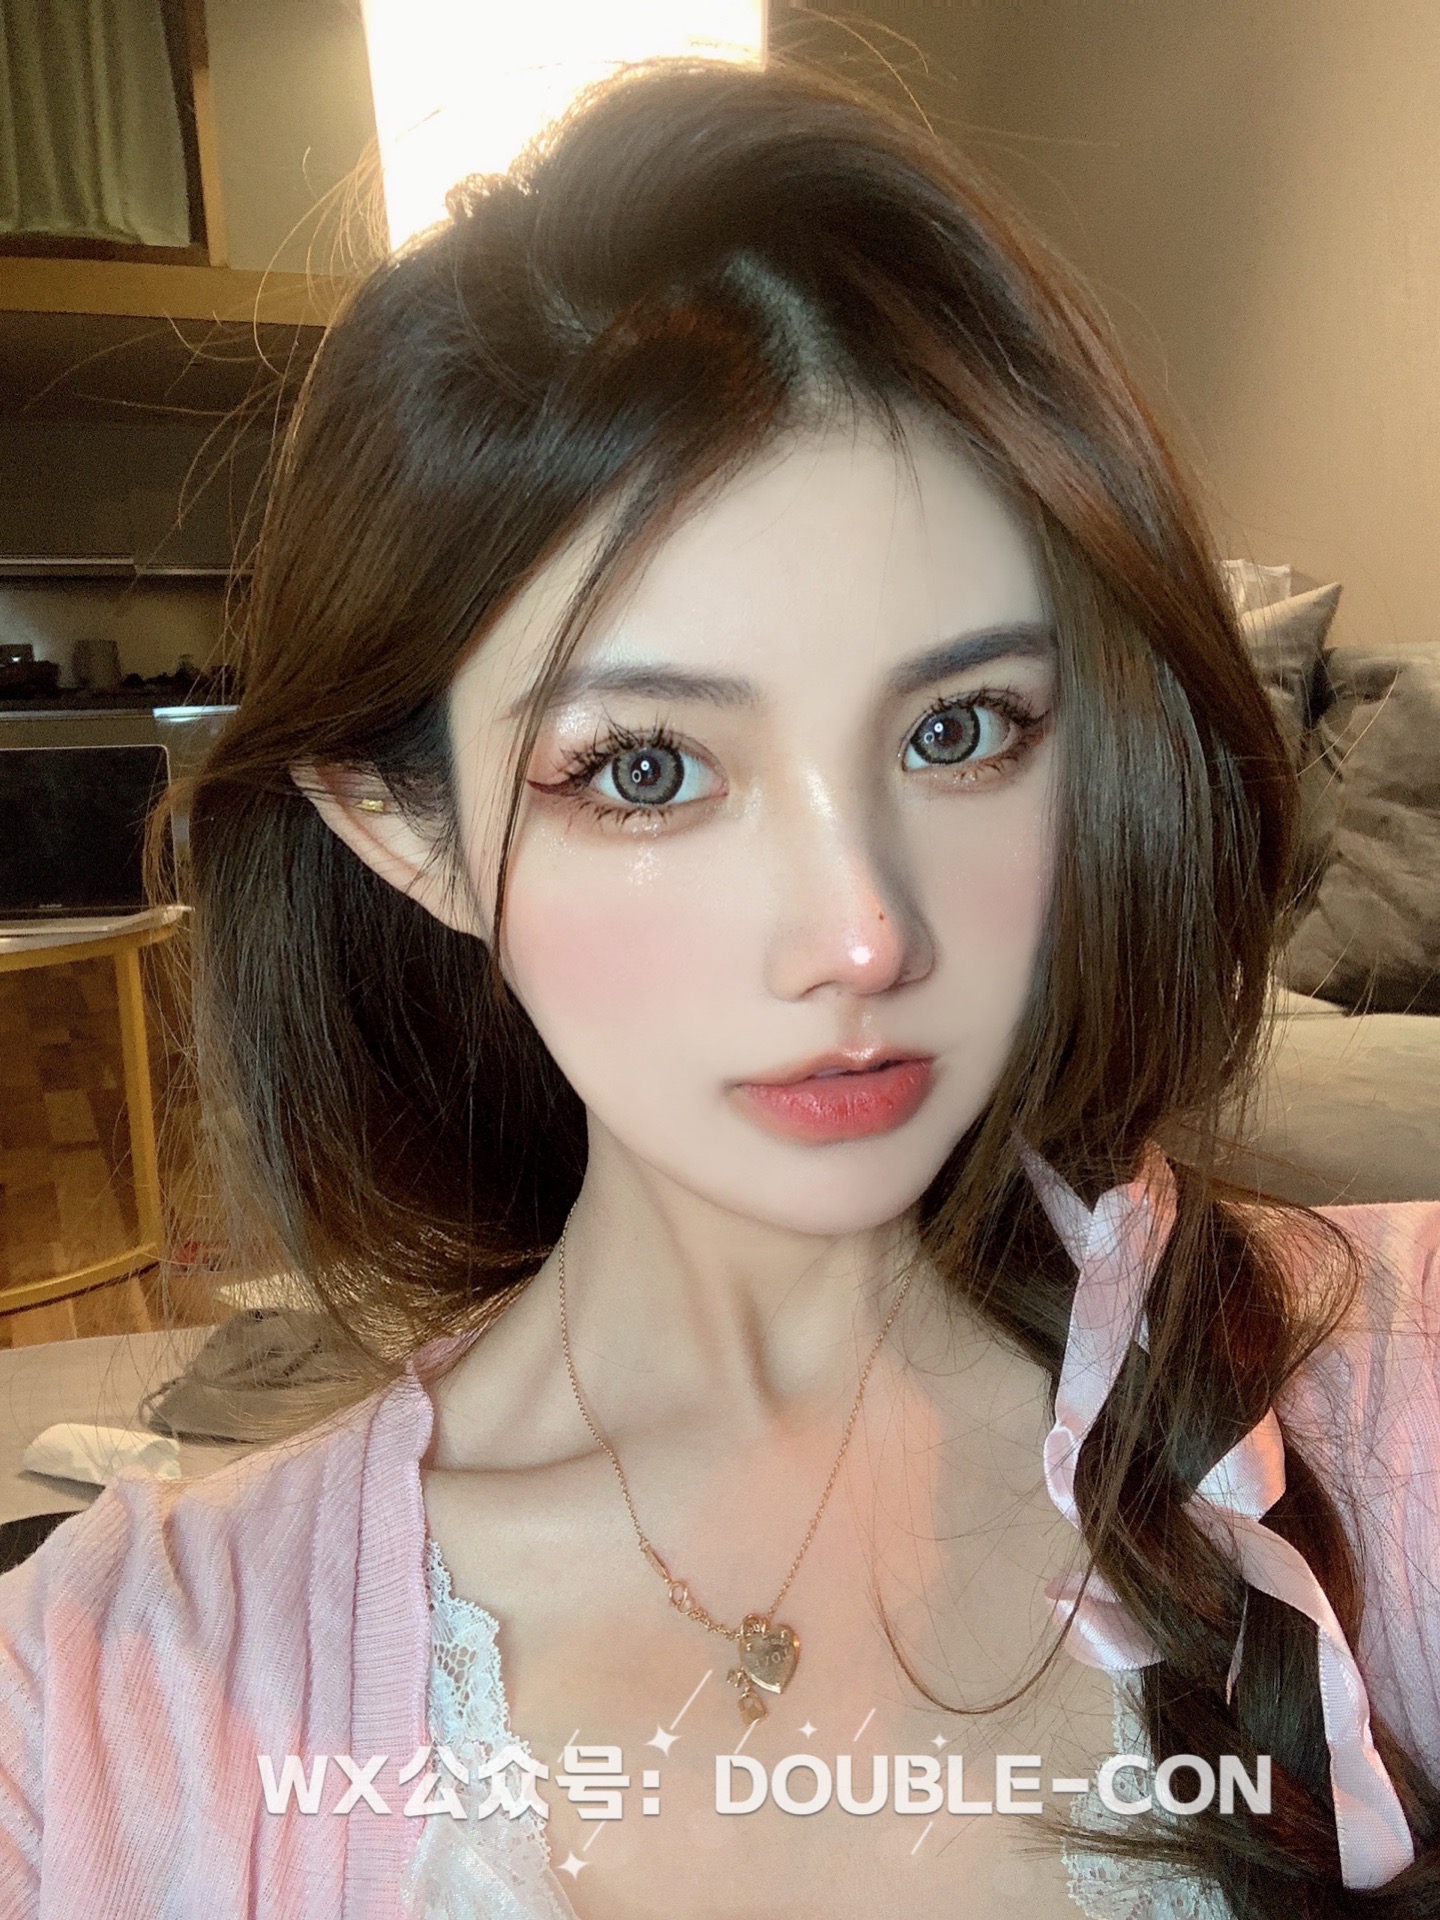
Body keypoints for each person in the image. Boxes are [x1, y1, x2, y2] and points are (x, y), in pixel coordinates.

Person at [1, 56, 1437, 1920]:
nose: (862, 935)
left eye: (961, 727)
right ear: (405, 828)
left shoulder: (1382, 1390)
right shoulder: (105, 1695)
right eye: (650, 767)